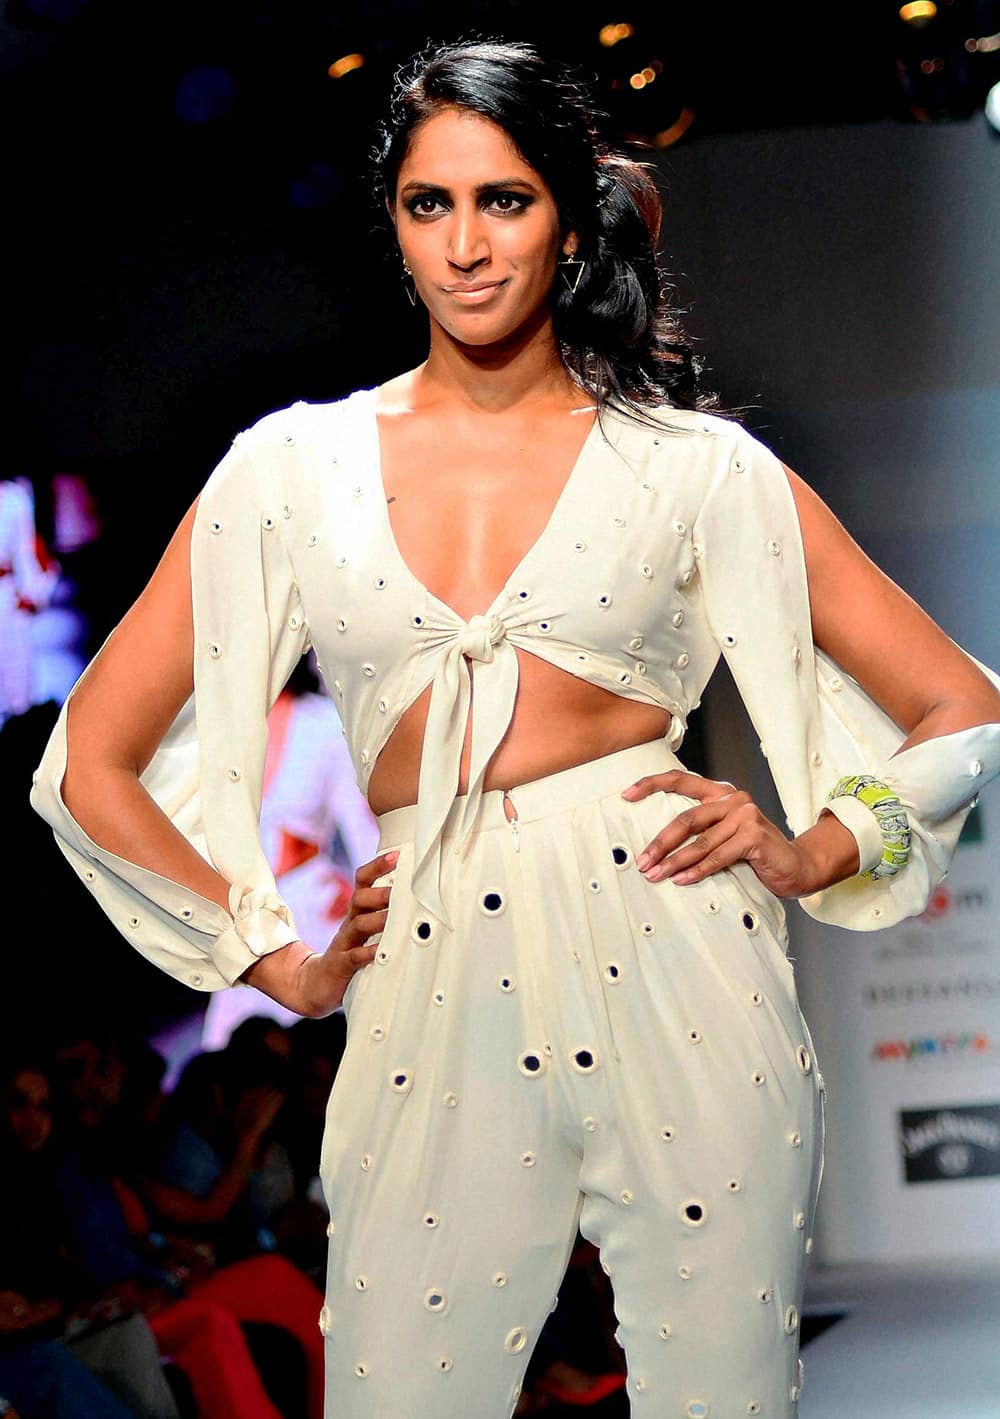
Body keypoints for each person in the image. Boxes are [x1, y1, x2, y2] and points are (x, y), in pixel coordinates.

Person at [29, 35, 1000, 1419]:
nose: (469, 246)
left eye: (506, 201)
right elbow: (89, 764)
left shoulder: (692, 468)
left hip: (680, 955)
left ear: (565, 216)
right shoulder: (291, 473)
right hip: (428, 976)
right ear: (394, 228)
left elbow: (962, 704)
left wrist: (821, 843)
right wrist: (270, 960)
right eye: (432, 205)